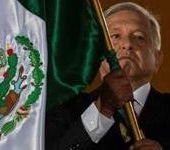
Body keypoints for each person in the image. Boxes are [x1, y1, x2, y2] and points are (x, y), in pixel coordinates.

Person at [45, 2, 170, 150]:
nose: (127, 44)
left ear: (157, 59)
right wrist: (102, 109)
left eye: (139, 37)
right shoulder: (64, 108)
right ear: (97, 55)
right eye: (115, 36)